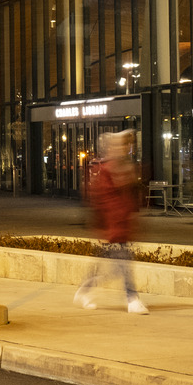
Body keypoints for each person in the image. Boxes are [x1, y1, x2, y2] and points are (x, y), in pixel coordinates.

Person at [73, 131, 148, 314]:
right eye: (121, 145)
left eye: (126, 146)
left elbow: (130, 200)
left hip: (121, 225)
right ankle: (132, 299)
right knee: (123, 262)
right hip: (112, 226)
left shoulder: (126, 169)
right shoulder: (106, 170)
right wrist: (104, 227)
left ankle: (85, 290)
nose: (124, 149)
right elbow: (101, 201)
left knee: (114, 265)